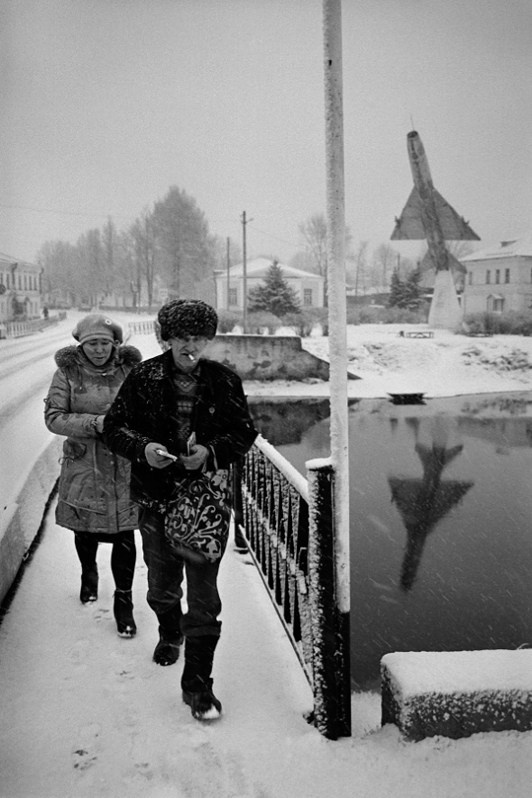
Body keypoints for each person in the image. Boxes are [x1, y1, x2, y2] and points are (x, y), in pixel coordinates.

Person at [103, 299, 257, 721]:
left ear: (209, 339)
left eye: (199, 338)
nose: (191, 345)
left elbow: (244, 432)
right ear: (166, 338)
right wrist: (144, 449)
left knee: (204, 596)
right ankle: (170, 631)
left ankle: (198, 686)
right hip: (154, 500)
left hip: (205, 506)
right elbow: (115, 428)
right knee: (161, 586)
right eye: (182, 337)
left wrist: (209, 453)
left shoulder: (223, 381)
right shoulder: (144, 377)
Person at [44, 314, 142, 638]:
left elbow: (145, 410)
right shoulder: (68, 373)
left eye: (105, 343)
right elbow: (54, 418)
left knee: (125, 533)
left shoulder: (129, 370)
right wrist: (95, 425)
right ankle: (89, 573)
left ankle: (123, 601)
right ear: (81, 345)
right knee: (85, 530)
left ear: (115, 343)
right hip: (85, 465)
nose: (99, 350)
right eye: (91, 344)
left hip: (124, 465)